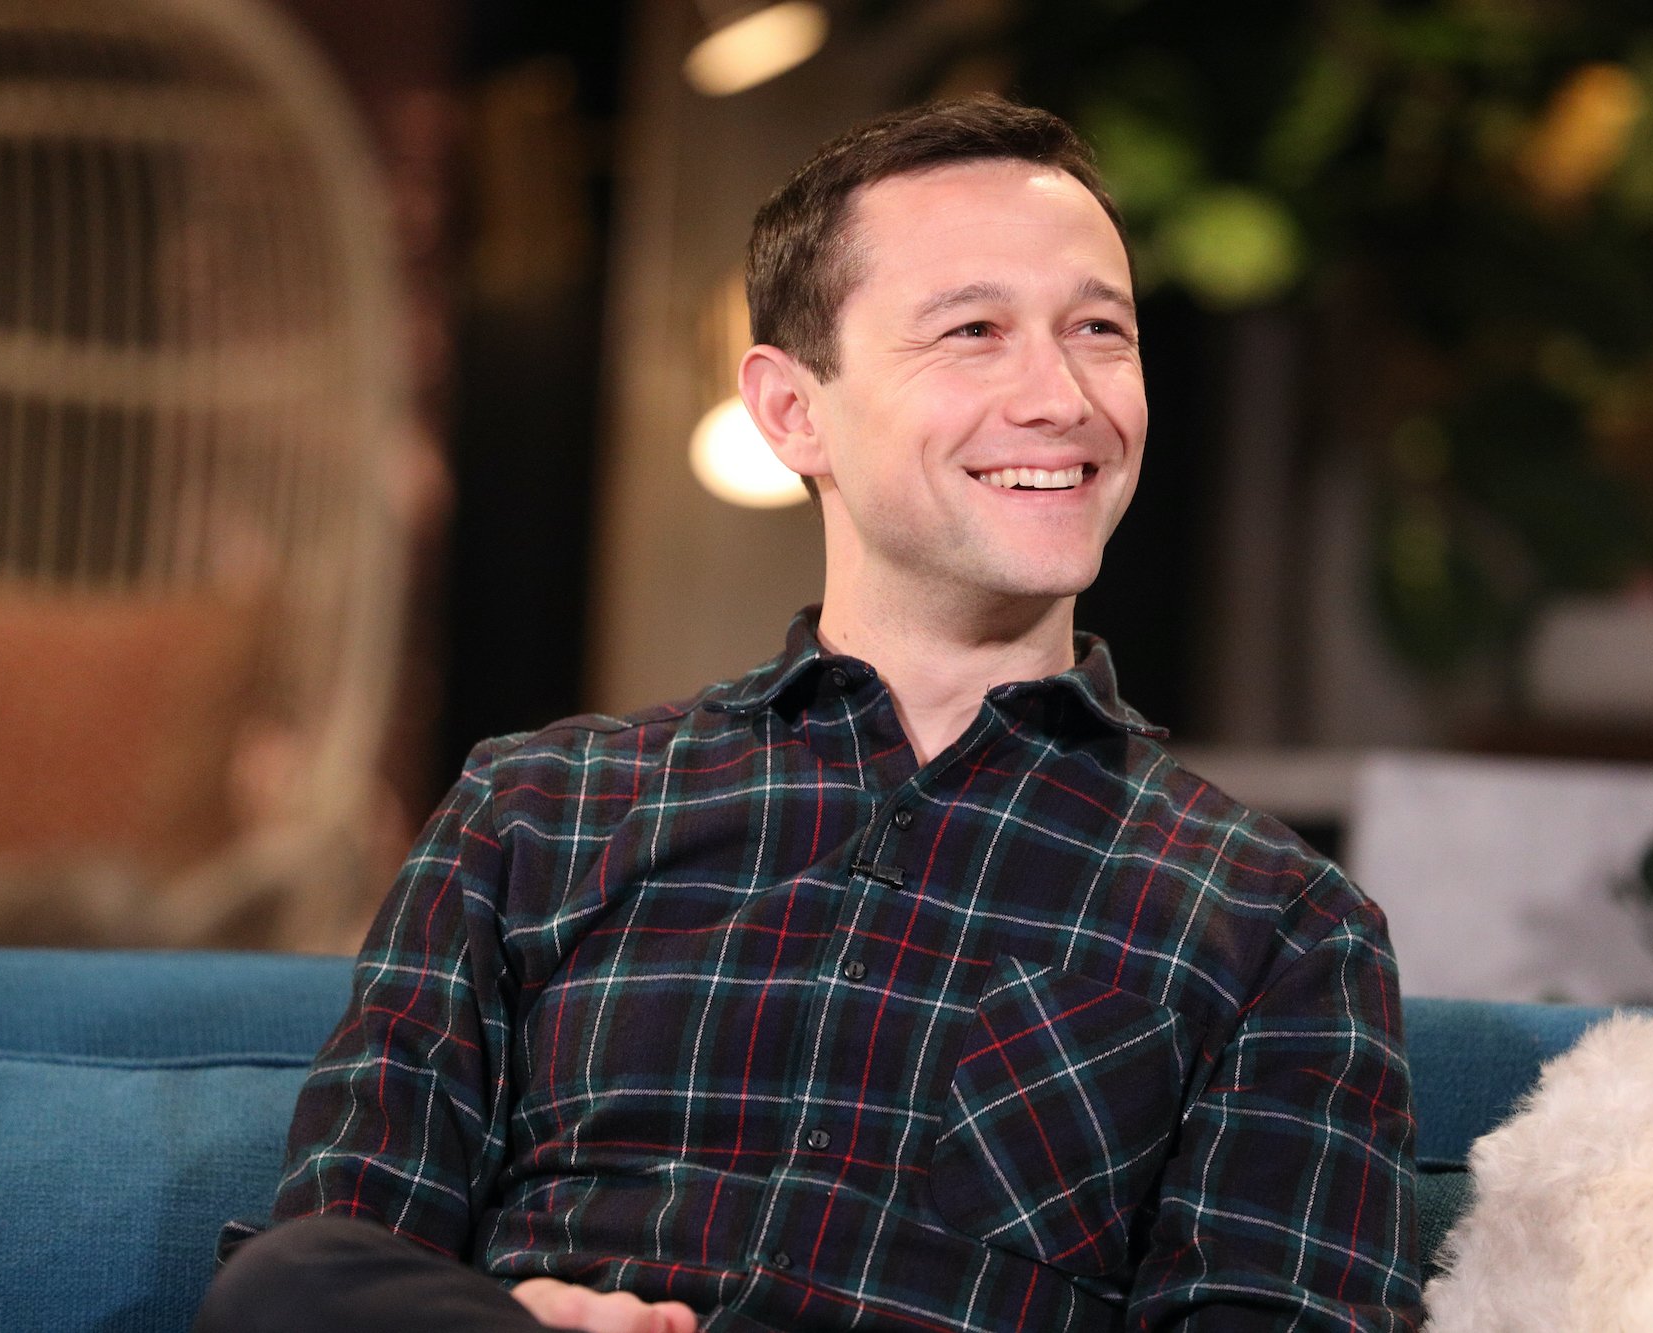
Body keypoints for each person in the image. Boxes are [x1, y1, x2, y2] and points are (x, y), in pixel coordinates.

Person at [195, 93, 1420, 1333]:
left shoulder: (1278, 923)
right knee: (288, 1282)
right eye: (974, 330)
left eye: (1099, 330)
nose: (1060, 395)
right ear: (792, 411)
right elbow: (343, 1250)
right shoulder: (537, 810)